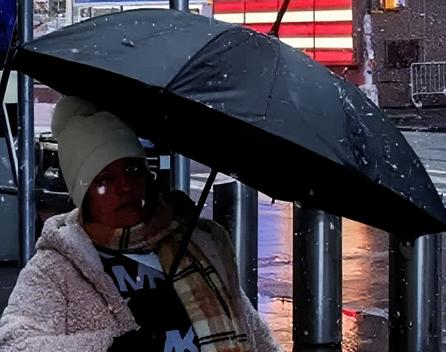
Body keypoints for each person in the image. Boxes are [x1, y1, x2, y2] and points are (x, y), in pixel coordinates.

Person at [0, 96, 283, 352]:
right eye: (105, 180)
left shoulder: (200, 246)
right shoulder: (58, 268)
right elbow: (16, 345)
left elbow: (252, 333)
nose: (125, 187)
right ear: (83, 195)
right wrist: (112, 347)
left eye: (133, 170)